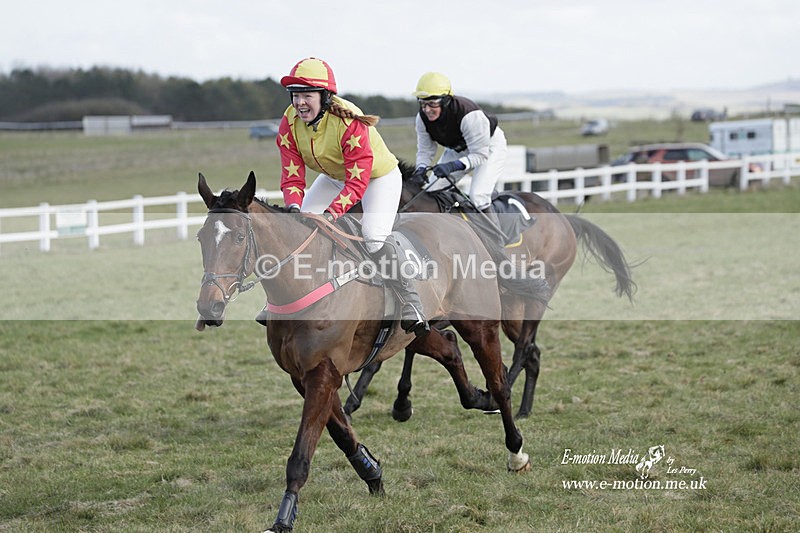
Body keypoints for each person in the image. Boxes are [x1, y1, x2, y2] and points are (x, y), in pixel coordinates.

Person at [259, 57, 428, 336]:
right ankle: (284, 300)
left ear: (325, 98)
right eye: (296, 95)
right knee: (300, 227)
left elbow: (358, 182)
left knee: (373, 236)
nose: (300, 103)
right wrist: (292, 206)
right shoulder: (289, 121)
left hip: (377, 178)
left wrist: (331, 214)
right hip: (335, 176)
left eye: (307, 96)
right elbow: (292, 175)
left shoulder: (348, 121)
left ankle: (411, 301)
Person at [411, 71, 508, 237]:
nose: (427, 109)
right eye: (422, 103)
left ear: (446, 101)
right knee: (430, 190)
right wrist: (420, 170)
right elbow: (425, 151)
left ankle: (497, 241)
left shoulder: (469, 115)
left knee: (478, 196)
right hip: (457, 149)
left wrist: (452, 166)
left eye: (433, 103)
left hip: (488, 147)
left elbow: (479, 155)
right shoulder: (421, 119)